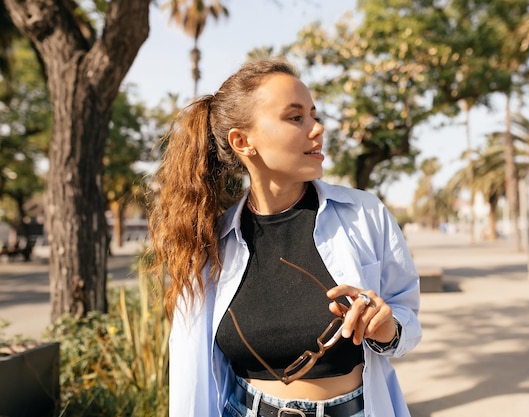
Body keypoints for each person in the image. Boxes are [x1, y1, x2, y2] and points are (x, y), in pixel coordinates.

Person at [147, 58, 422, 417]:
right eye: (296, 118)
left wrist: (388, 328)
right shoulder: (210, 241)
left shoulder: (364, 214)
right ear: (242, 141)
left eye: (314, 114)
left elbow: (407, 317)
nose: (317, 128)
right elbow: (192, 375)